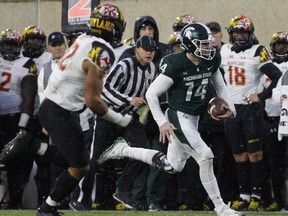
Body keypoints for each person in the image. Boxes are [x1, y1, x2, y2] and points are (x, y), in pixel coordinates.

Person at [97, 22, 244, 216]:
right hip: (178, 116)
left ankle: (123, 149)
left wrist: (230, 109)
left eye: (209, 43)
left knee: (172, 166)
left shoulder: (211, 59)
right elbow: (151, 94)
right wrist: (162, 122)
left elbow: (221, 86)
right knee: (205, 155)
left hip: (195, 117)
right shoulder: (175, 63)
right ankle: (221, 207)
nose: (209, 48)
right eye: (203, 44)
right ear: (190, 44)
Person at [0, 3, 132, 216]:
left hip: (54, 108)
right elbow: (92, 100)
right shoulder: (102, 50)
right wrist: (121, 119)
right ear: (113, 27)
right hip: (60, 111)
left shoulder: (82, 39)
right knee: (80, 167)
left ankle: (45, 198)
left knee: (79, 164)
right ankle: (45, 207)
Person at [68, 4, 129, 211]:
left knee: (101, 160)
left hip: (89, 104)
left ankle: (92, 199)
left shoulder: (84, 42)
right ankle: (81, 198)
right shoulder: (99, 48)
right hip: (93, 106)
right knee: (89, 158)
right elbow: (95, 89)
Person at [220, 15, 282, 211]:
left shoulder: (259, 50)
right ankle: (244, 195)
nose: (239, 37)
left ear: (250, 34)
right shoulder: (224, 50)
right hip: (231, 110)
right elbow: (217, 76)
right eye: (236, 33)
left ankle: (258, 195)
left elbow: (277, 76)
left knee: (255, 155)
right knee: (239, 156)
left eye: (243, 32)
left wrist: (261, 96)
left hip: (250, 110)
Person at [198, 21, 238, 204]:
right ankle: (202, 198)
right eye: (209, 34)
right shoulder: (199, 59)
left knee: (223, 160)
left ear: (221, 34)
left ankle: (224, 197)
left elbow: (223, 86)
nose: (213, 37)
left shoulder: (226, 54)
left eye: (216, 33)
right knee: (202, 159)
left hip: (221, 117)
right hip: (202, 118)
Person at [0, 29, 38, 209]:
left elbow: (29, 98)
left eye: (13, 45)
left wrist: (22, 126)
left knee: (16, 163)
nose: (9, 48)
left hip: (14, 119)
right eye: (6, 44)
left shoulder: (26, 63)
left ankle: (15, 204)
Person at [261, 31, 288, 211]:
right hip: (269, 118)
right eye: (278, 45)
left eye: (285, 46)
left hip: (284, 118)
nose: (282, 48)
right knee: (272, 163)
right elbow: (273, 90)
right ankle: (276, 200)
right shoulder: (266, 65)